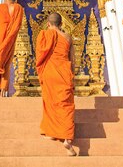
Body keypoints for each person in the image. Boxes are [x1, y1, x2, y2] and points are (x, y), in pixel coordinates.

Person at [36, 12, 76, 156]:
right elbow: (72, 59)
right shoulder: (68, 37)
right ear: (62, 24)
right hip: (63, 72)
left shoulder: (44, 35)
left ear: (48, 24)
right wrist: (73, 77)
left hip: (49, 72)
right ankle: (67, 140)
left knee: (50, 101)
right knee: (66, 105)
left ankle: (52, 132)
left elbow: (40, 55)